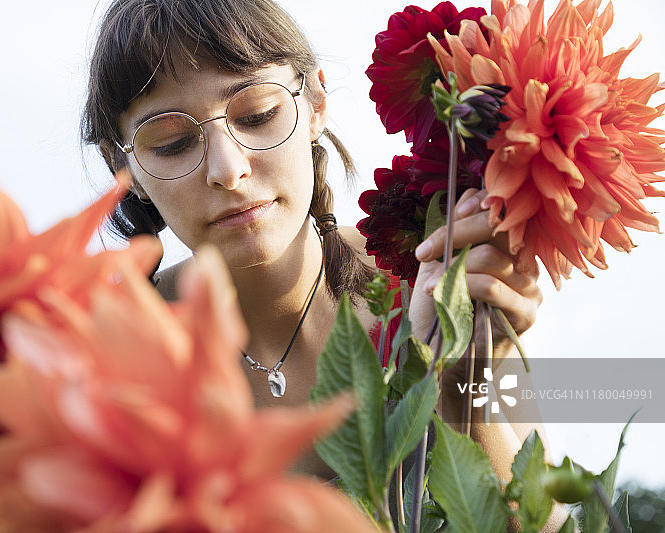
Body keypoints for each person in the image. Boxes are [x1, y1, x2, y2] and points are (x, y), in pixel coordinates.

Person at [81, 0, 566, 529]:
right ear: (122, 165)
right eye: (172, 144)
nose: (227, 168)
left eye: (257, 115)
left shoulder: (429, 282)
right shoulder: (99, 360)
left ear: (315, 103)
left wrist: (459, 385)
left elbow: (547, 522)